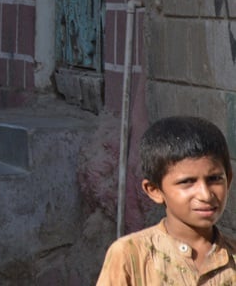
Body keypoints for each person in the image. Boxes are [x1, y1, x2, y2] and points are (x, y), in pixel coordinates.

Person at [96, 115, 236, 285]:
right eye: (187, 182)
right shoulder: (131, 255)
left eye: (214, 179)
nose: (205, 195)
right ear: (154, 190)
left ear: (228, 180)